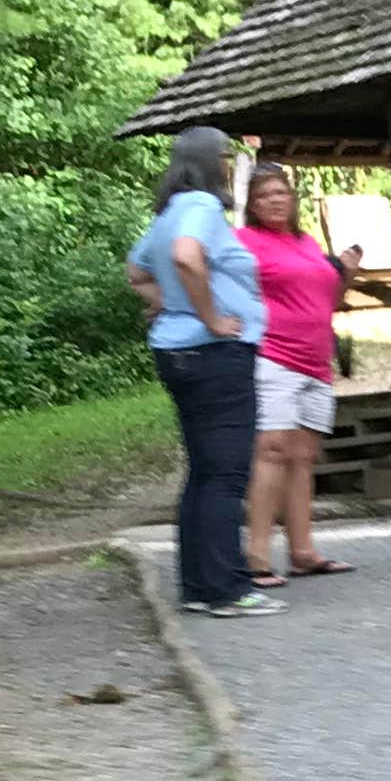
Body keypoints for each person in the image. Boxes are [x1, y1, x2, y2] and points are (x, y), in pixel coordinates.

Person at [125, 126, 272, 618]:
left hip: (178, 354)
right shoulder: (203, 208)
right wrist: (208, 317)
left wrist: (174, 306)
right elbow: (185, 257)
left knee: (204, 471)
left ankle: (197, 586)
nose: (230, 164)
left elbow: (136, 271)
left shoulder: (169, 212)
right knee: (227, 474)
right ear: (210, 162)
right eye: (226, 156)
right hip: (215, 354)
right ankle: (228, 589)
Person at [233, 163, 353, 585]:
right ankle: (256, 555)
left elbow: (330, 298)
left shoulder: (306, 241)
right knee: (272, 450)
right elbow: (221, 284)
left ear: (292, 198)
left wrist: (346, 271)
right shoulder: (243, 242)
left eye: (280, 193)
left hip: (316, 360)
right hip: (274, 354)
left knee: (304, 456)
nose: (274, 201)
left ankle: (303, 551)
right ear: (252, 203)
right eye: (264, 195)